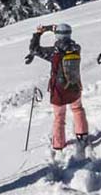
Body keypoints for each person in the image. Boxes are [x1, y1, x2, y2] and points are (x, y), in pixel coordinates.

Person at [28, 22, 89, 158]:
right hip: (74, 86)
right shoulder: (76, 48)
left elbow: (34, 48)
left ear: (57, 36)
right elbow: (62, 34)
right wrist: (52, 28)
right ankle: (82, 134)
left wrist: (39, 33)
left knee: (59, 117)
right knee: (78, 109)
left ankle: (59, 144)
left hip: (59, 90)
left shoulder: (53, 53)